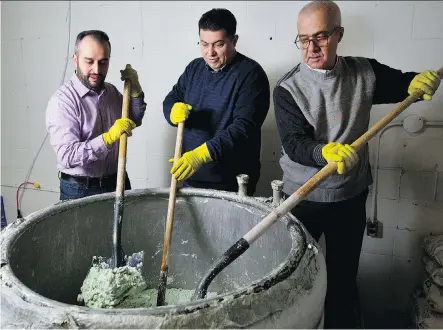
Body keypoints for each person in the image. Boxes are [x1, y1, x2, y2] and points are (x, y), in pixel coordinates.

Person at [273, 1, 441, 328]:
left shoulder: (364, 72)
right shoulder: (288, 88)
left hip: (350, 196)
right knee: (292, 276)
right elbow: (295, 144)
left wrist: (422, 83)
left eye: (320, 37)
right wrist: (325, 153)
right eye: (303, 39)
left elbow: (405, 84)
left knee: (342, 278)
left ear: (339, 34)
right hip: (303, 198)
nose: (311, 47)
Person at [163, 8, 270, 196]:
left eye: (218, 44)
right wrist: (172, 110)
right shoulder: (194, 68)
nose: (210, 52)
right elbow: (173, 97)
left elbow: (243, 128)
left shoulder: (252, 75)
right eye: (204, 44)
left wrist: (201, 155)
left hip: (233, 184)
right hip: (191, 178)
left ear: (234, 41)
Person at [46, 30, 147, 201]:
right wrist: (107, 139)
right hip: (80, 189)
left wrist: (136, 90)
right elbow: (67, 155)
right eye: (89, 61)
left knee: (125, 228)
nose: (97, 69)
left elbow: (134, 119)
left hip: (117, 182)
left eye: (103, 62)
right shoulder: (63, 101)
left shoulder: (112, 92)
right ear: (75, 59)